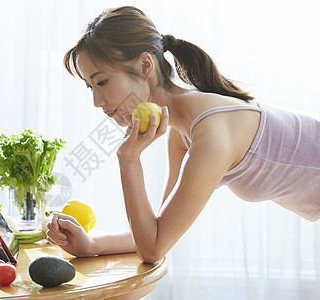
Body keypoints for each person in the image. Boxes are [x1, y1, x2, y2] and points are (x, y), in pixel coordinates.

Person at [46, 6, 320, 264]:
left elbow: (152, 248)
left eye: (102, 81)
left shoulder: (212, 135)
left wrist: (128, 159)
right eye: (90, 87)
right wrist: (91, 245)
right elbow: (158, 232)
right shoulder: (185, 130)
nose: (96, 101)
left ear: (145, 66)